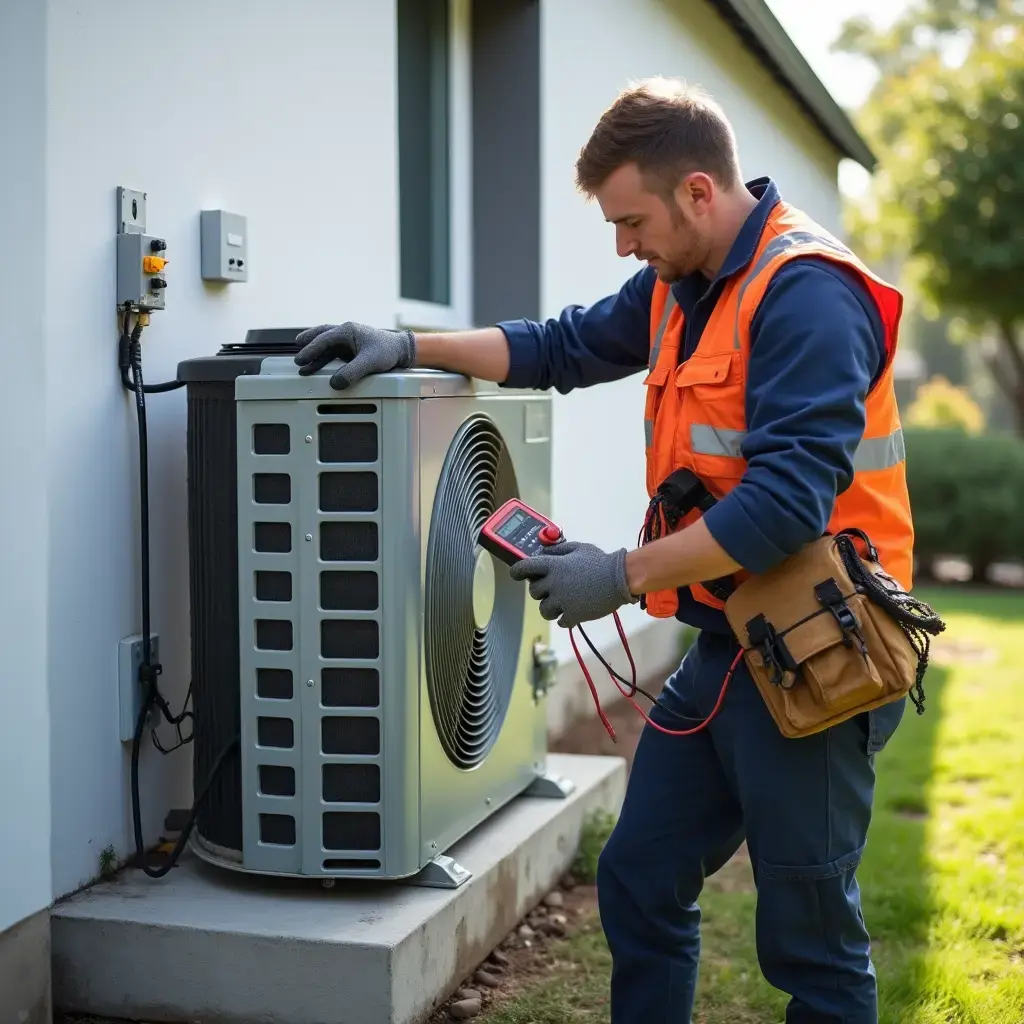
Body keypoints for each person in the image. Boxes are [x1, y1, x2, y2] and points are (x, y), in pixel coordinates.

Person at [293, 77, 913, 1024]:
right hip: (727, 644)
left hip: (821, 653)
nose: (625, 245)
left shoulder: (807, 295)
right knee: (636, 879)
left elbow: (786, 506)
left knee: (812, 944)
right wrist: (409, 343)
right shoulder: (684, 283)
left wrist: (616, 577)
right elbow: (563, 347)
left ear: (698, 193)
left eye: (632, 221)